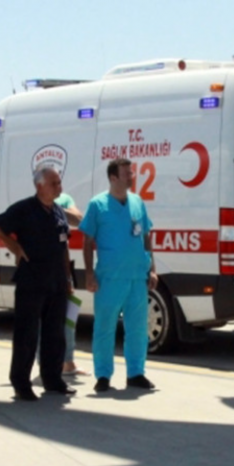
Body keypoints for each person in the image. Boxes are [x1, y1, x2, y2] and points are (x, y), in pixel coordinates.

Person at [0, 166, 76, 401]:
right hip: (32, 281)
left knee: (55, 334)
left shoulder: (58, 211)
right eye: (54, 183)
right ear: (39, 186)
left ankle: (53, 379)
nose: (59, 187)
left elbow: (64, 246)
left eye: (59, 182)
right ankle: (21, 383)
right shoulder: (24, 209)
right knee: (27, 335)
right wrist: (14, 245)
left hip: (56, 282)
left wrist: (68, 278)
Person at [79, 158, 158, 393]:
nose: (132, 177)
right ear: (113, 177)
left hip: (136, 277)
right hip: (109, 278)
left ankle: (136, 373)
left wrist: (152, 269)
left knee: (138, 329)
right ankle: (103, 375)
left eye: (131, 173)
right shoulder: (98, 205)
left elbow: (146, 237)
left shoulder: (137, 202)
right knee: (105, 328)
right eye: (127, 174)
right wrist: (89, 274)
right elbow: (87, 241)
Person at [53, 191, 89, 377]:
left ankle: (68, 362)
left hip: (63, 266)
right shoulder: (33, 204)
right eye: (54, 183)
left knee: (68, 319)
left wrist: (58, 209)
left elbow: (79, 219)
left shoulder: (65, 199)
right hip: (43, 270)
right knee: (45, 322)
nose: (58, 186)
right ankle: (48, 365)